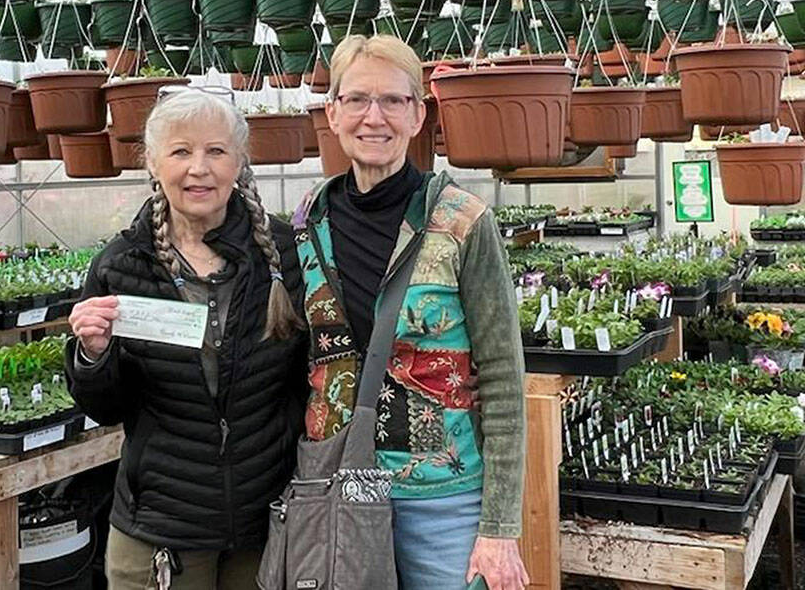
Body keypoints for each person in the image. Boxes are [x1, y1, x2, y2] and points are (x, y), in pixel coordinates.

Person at [292, 34, 529, 590]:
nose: (374, 117)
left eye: (394, 101)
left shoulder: (462, 220)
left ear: (418, 115)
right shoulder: (308, 224)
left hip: (442, 499)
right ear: (332, 112)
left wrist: (498, 528)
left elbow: (502, 376)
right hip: (340, 484)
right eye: (356, 99)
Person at [66, 88, 307, 590]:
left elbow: (312, 374)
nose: (199, 168)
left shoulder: (283, 254)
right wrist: (92, 354)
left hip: (267, 521)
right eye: (181, 151)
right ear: (153, 163)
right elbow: (106, 407)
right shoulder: (122, 264)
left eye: (216, 151)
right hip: (161, 529)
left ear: (240, 162)